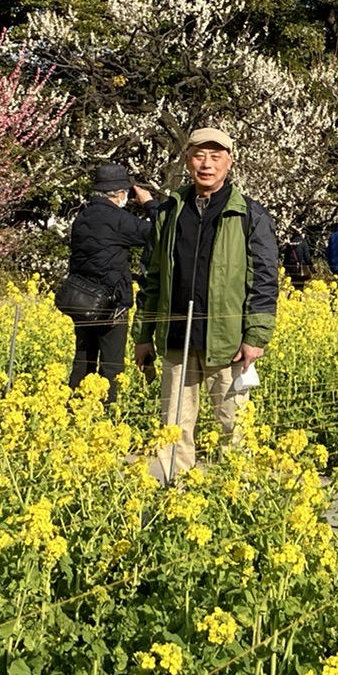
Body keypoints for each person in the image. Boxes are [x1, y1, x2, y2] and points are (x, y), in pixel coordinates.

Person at [132, 126, 280, 481]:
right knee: (173, 428)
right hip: (176, 339)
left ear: (229, 162)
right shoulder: (169, 212)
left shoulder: (249, 215)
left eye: (216, 157)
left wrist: (256, 336)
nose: (207, 164)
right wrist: (143, 334)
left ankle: (234, 495)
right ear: (187, 160)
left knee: (234, 426)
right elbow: (151, 277)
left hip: (228, 344)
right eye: (199, 155)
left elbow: (264, 279)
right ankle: (175, 498)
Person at [65, 163, 154, 395]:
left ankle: (74, 407)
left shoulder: (82, 217)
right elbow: (159, 232)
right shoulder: (117, 219)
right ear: (121, 194)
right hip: (110, 304)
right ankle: (106, 411)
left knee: (83, 360)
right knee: (111, 365)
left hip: (82, 301)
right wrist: (149, 204)